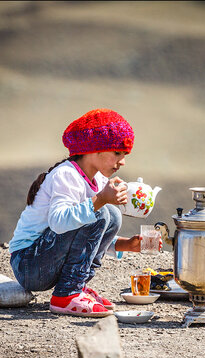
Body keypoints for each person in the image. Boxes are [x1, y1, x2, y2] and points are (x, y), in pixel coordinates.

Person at [9, 108, 144, 317]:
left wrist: (125, 244)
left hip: (45, 261)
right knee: (100, 211)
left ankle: (76, 287)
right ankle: (66, 294)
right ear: (94, 149)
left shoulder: (97, 179)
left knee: (111, 213)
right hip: (29, 265)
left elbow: (82, 234)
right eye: (117, 153)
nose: (123, 161)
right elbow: (59, 223)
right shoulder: (66, 174)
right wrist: (100, 199)